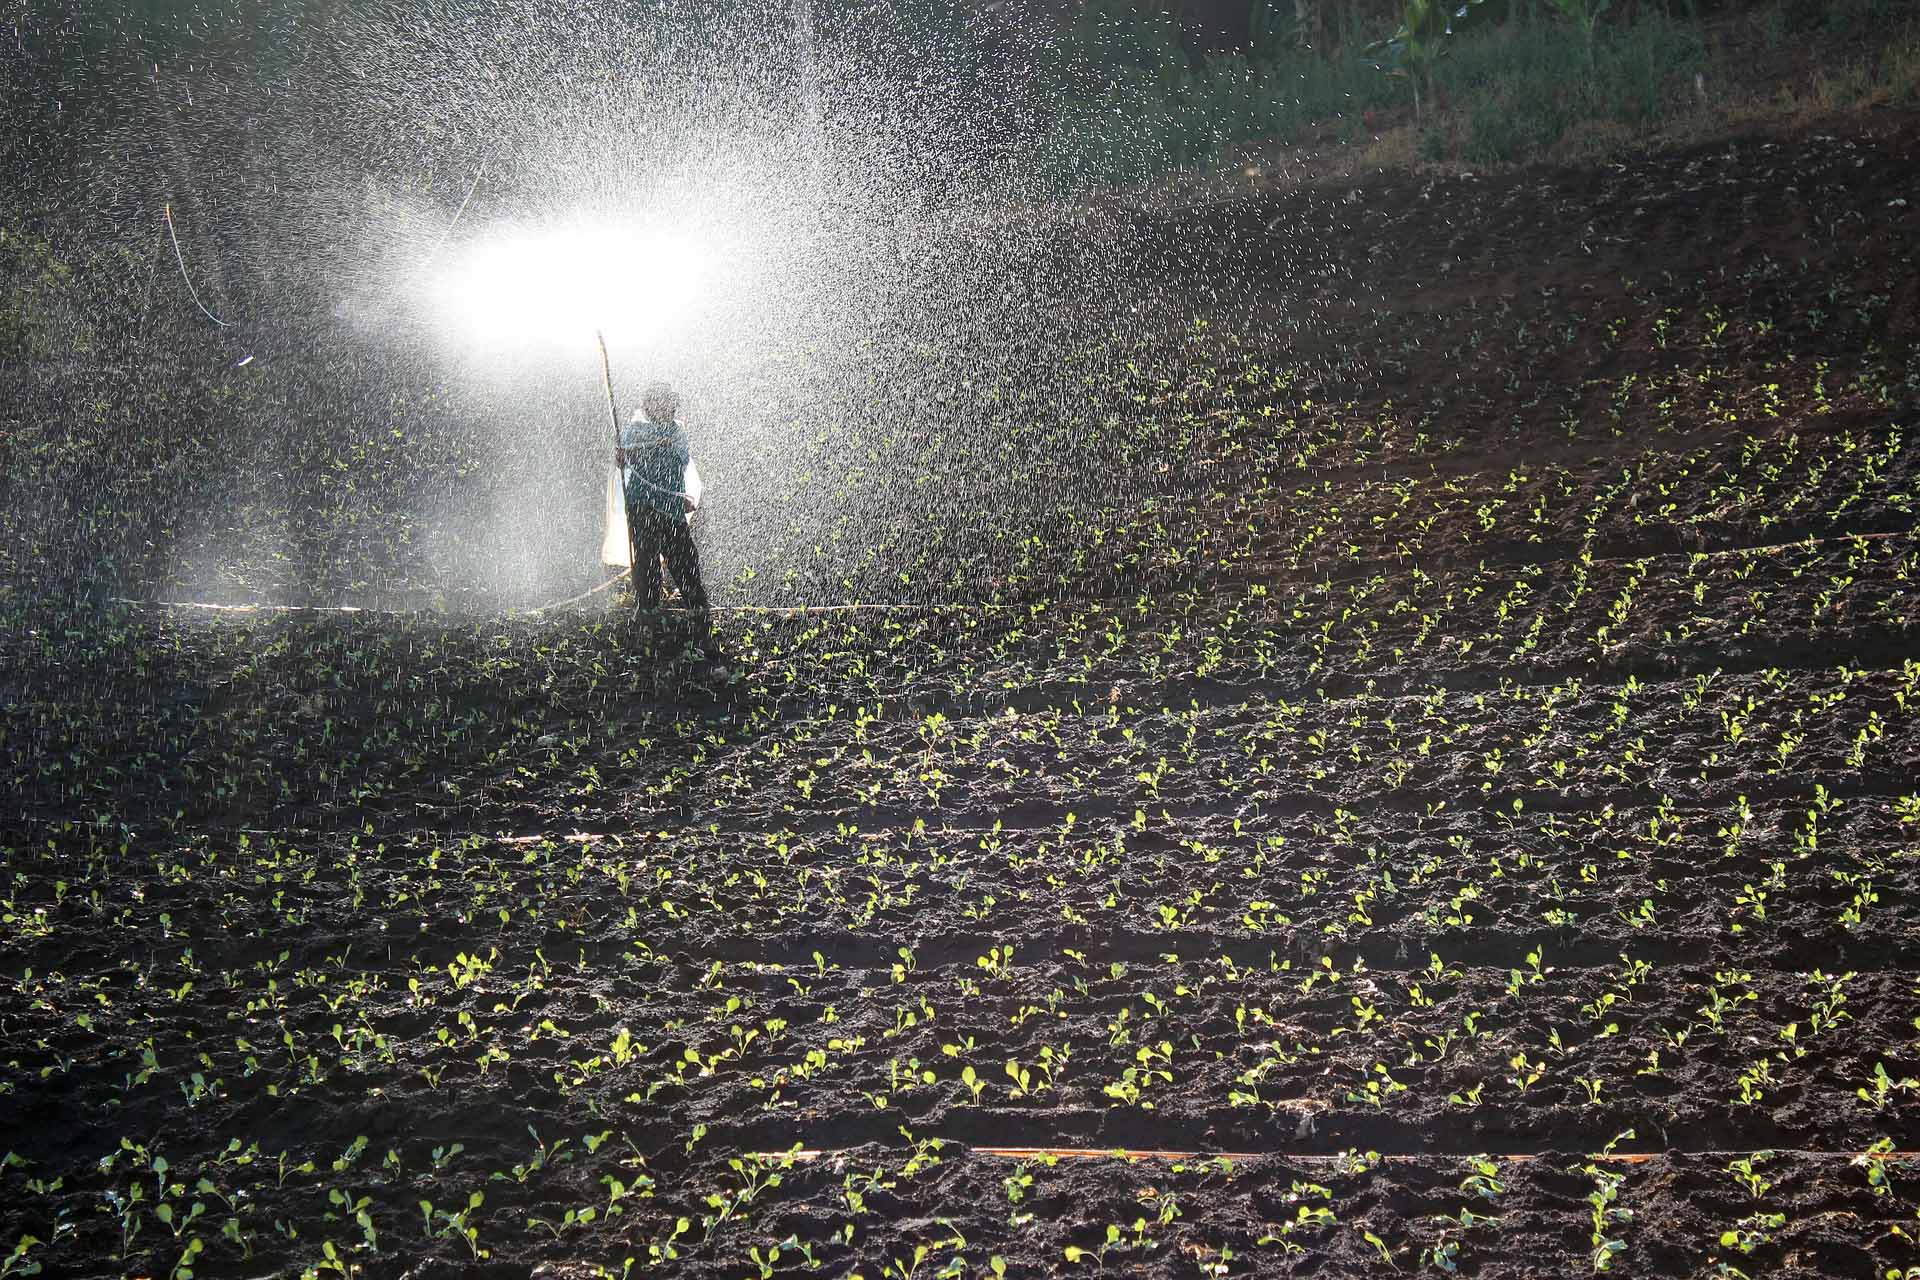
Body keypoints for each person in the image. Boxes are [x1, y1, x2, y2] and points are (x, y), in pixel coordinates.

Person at [615, 382, 707, 614]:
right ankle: (648, 613)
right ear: (648, 406)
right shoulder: (634, 431)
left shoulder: (677, 432)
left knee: (685, 561)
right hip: (642, 506)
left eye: (668, 403)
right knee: (646, 561)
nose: (665, 407)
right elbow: (623, 458)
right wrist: (625, 454)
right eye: (659, 402)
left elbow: (683, 460)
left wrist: (685, 497)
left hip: (671, 508)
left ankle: (698, 613)